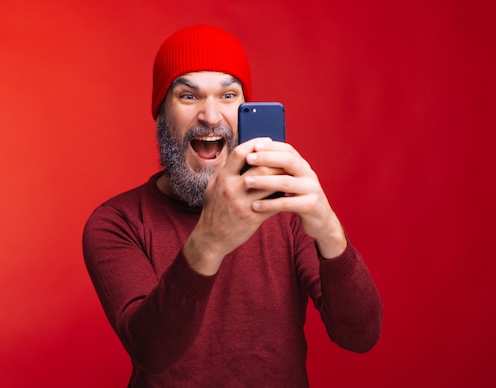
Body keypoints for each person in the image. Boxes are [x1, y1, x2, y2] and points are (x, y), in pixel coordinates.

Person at [83, 24, 382, 387]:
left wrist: (328, 229)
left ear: (246, 109)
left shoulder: (285, 208)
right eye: (188, 97)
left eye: (228, 96)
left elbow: (359, 335)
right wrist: (210, 239)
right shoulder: (117, 222)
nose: (211, 117)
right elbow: (153, 351)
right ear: (162, 113)